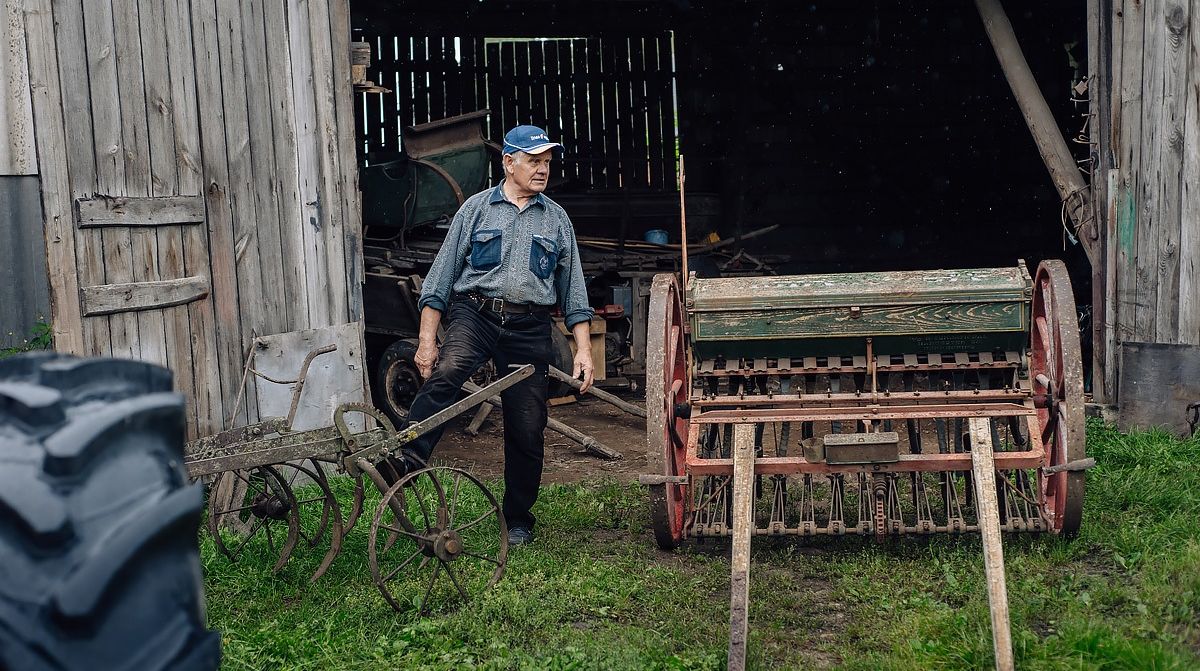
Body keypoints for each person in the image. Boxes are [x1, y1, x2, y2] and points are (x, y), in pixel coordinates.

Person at [381, 124, 595, 547]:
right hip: (475, 314)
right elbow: (439, 281)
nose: (542, 170)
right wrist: (427, 341)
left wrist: (583, 349)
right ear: (508, 162)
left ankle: (517, 518)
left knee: (528, 424)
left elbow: (574, 293)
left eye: (547, 163)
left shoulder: (555, 220)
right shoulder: (476, 210)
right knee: (449, 371)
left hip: (529, 326)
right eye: (534, 161)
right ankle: (405, 459)